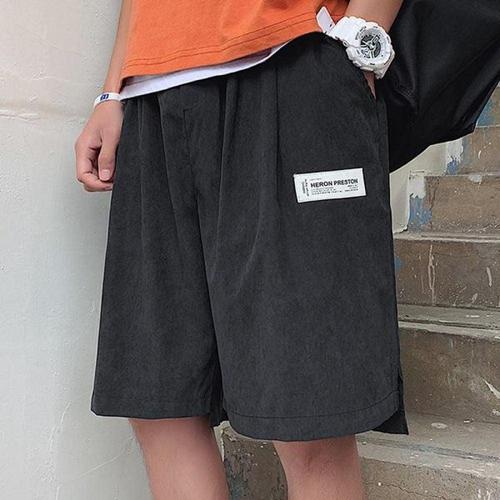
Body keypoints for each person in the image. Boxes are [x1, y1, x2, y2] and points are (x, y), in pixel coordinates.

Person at [75, 0, 408, 498]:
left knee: (309, 416)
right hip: (152, 97)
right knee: (160, 404)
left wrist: (362, 36)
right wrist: (112, 91)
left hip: (290, 64)